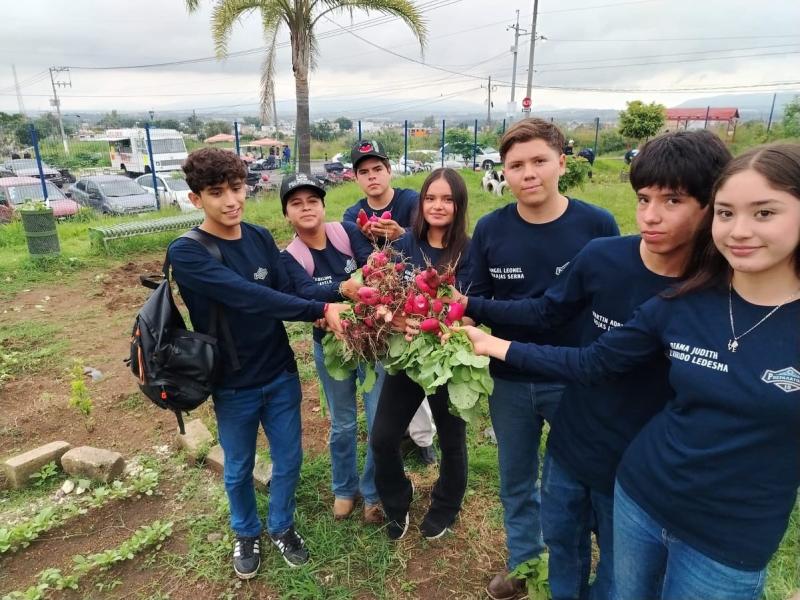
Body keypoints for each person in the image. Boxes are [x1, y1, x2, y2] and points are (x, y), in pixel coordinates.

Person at [462, 143, 800, 600]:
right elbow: (576, 342)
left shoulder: (703, 292)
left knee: (619, 582)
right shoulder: (623, 268)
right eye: (643, 199)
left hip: (640, 471)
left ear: (705, 207)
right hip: (578, 444)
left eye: (673, 200)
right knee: (563, 546)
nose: (651, 216)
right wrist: (472, 316)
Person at [167, 148, 346, 580]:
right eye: (216, 193)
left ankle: (282, 525)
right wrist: (321, 311)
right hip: (232, 382)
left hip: (280, 372)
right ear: (195, 199)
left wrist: (346, 295)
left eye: (236, 188)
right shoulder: (187, 253)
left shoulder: (260, 238)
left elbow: (290, 290)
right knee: (238, 467)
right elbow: (252, 297)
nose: (231, 201)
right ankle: (245, 532)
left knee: (289, 459)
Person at [467, 117, 620, 600]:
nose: (528, 173)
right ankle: (524, 564)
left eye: (539, 161)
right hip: (510, 379)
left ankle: (606, 573)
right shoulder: (490, 229)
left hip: (575, 376)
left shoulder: (596, 225)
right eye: (516, 165)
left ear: (562, 163)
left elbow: (612, 301)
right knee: (516, 479)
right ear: (504, 172)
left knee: (589, 482)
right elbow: (474, 300)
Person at [371, 167, 473, 541]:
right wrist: (389, 315)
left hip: (447, 359)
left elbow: (474, 309)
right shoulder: (406, 245)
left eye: (447, 199)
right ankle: (397, 501)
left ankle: (446, 505)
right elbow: (383, 294)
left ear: (459, 205)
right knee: (382, 438)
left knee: (452, 441)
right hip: (408, 358)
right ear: (421, 203)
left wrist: (442, 320)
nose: (438, 206)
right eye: (431, 198)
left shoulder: (469, 250)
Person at [279, 172, 385, 524]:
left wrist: (335, 294)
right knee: (342, 422)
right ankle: (343, 488)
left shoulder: (346, 232)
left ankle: (373, 492)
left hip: (371, 339)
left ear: (323, 206)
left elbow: (372, 268)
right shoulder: (289, 257)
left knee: (378, 419)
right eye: (296, 203)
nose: (306, 208)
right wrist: (344, 289)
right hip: (331, 346)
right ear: (287, 214)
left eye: (313, 201)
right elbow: (304, 294)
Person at [343, 139, 438, 465]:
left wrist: (401, 235)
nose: (372, 176)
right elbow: (361, 258)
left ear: (389, 171)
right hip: (379, 299)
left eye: (377, 169)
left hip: (415, 294)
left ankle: (424, 438)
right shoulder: (353, 214)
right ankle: (399, 433)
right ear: (357, 178)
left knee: (415, 364)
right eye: (364, 171)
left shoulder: (411, 200)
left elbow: (429, 239)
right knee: (390, 366)